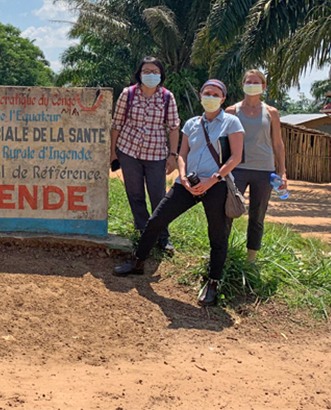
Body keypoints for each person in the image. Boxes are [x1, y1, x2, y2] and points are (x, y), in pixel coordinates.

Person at [113, 79, 244, 306]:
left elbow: (236, 157)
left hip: (216, 185)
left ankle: (213, 282)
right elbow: (182, 153)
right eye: (206, 93)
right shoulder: (192, 123)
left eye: (215, 94)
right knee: (156, 220)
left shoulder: (231, 122)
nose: (210, 97)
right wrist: (182, 176)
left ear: (223, 99)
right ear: (201, 95)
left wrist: (213, 179)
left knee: (218, 236)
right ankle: (138, 262)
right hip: (187, 184)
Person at [110, 57, 181, 251]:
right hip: (128, 151)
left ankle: (163, 236)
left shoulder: (167, 97)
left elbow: (173, 128)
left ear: (161, 75)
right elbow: (116, 124)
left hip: (156, 154)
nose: (151, 75)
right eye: (146, 71)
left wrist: (173, 155)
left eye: (155, 72)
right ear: (139, 74)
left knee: (159, 196)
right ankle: (143, 231)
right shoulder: (128, 94)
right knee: (135, 194)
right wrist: (112, 152)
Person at [226, 69, 287, 262]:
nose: (252, 85)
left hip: (264, 170)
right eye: (248, 81)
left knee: (257, 216)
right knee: (227, 211)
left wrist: (282, 172)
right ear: (242, 85)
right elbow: (224, 143)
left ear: (263, 86)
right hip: (237, 169)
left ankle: (250, 259)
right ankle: (221, 253)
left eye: (256, 82)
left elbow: (278, 144)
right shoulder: (231, 111)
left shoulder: (271, 113)